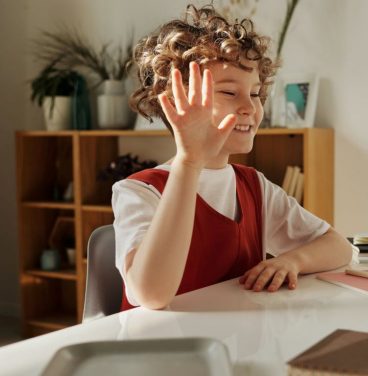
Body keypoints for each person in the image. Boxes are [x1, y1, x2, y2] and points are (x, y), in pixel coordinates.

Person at [112, 4, 353, 311]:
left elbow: (339, 248)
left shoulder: (254, 186)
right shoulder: (138, 192)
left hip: (235, 346)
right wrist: (189, 161)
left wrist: (292, 260)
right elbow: (152, 294)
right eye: (229, 93)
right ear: (176, 103)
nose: (250, 108)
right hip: (162, 351)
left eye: (254, 94)